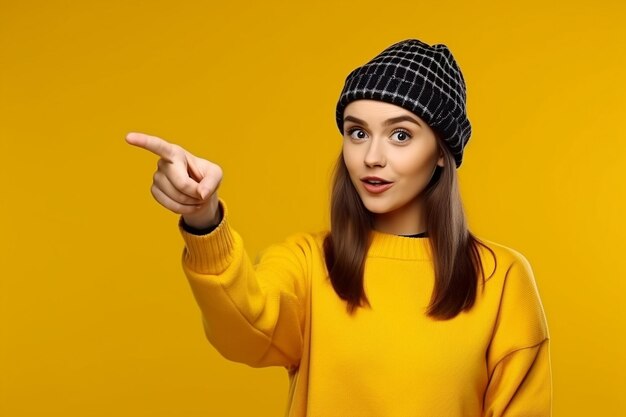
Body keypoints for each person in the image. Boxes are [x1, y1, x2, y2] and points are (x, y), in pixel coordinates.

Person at [126, 38, 552, 417]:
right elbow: (242, 334)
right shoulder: (308, 263)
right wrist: (204, 219)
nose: (372, 157)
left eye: (401, 135)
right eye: (358, 132)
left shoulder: (501, 278)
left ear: (441, 152)